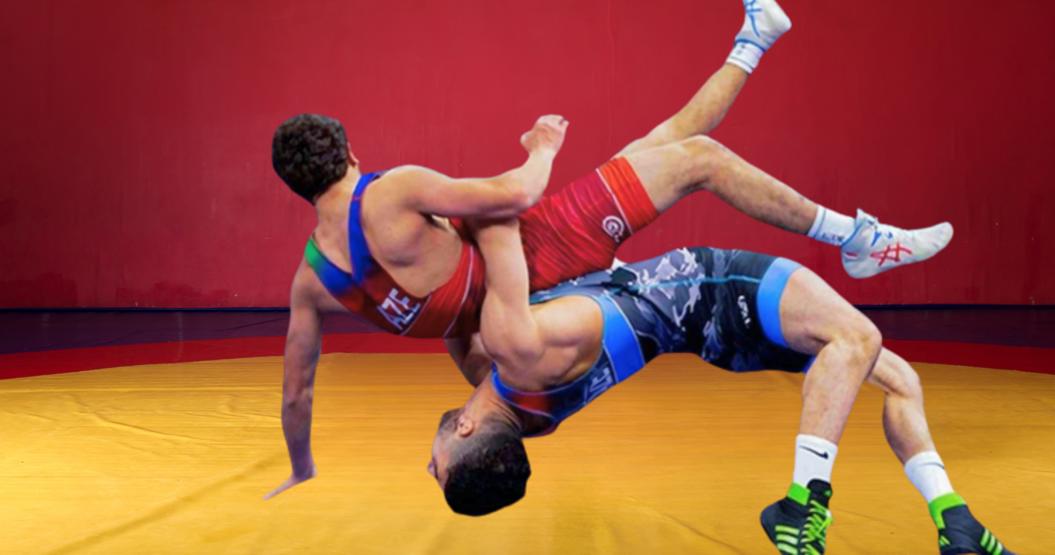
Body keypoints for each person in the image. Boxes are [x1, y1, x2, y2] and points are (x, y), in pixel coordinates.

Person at [268, 0, 953, 499]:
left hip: (515, 309)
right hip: (533, 261)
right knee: (697, 161)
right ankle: (858, 240)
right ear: (351, 155)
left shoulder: (312, 280)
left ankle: (753, 41)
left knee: (658, 149)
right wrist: (542, 147)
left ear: (297, 189)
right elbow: (511, 199)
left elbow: (297, 391)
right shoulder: (387, 194)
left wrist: (302, 466)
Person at [428, 218, 1013, 555]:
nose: (428, 464)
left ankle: (954, 519)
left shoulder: (517, 404)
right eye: (439, 467)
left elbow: (450, 318)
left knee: (898, 378)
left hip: (716, 339)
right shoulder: (520, 361)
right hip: (717, 287)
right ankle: (803, 502)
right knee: (858, 338)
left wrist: (428, 302)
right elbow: (493, 237)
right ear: (469, 429)